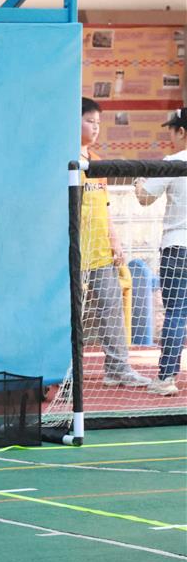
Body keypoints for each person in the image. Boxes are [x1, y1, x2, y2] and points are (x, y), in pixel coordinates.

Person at [79, 98, 151, 389]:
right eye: (90, 121)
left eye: (98, 123)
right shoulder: (64, 161)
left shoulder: (97, 162)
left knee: (111, 309)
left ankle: (117, 369)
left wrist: (114, 240)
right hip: (71, 252)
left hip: (100, 251)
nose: (95, 128)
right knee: (69, 315)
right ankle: (64, 372)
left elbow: (104, 207)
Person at [135, 107, 187, 396]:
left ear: (182, 132)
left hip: (177, 247)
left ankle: (167, 378)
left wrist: (137, 182)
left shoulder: (174, 161)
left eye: (173, 130)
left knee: (176, 313)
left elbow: (144, 198)